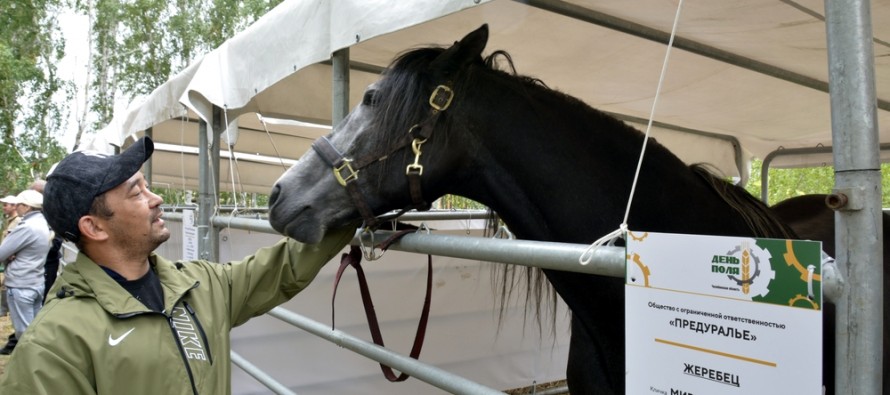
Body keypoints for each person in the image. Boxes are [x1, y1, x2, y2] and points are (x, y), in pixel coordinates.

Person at [0, 136, 356, 393]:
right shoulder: (54, 344)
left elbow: (284, 266)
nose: (156, 200)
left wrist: (356, 197)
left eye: (146, 185)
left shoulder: (200, 285)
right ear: (93, 227)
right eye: (136, 193)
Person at [0, 189, 51, 355]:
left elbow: (2, 252)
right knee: (35, 327)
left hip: (21, 284)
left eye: (18, 204)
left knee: (24, 332)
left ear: (27, 207)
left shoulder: (27, 227)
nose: (16, 207)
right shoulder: (43, 223)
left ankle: (31, 364)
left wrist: (10, 255)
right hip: (36, 282)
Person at [27, 179, 64, 301]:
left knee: (43, 299)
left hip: (47, 265)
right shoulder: (28, 214)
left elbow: (55, 244)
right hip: (30, 267)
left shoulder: (52, 213)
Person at [0, 195, 21, 319]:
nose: (3, 207)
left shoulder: (17, 221)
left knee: (6, 283)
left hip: (12, 259)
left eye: (6, 205)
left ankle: (3, 310)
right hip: (7, 257)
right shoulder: (9, 220)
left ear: (14, 206)